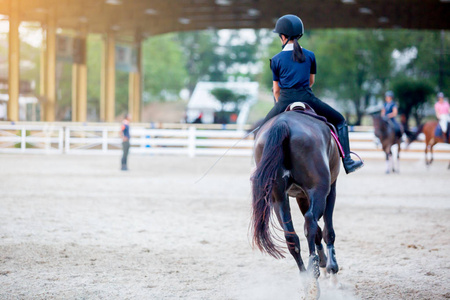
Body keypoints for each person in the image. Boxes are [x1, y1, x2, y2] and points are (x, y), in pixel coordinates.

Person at [260, 14, 363, 174]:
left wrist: (281, 105)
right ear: (299, 35)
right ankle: (348, 161)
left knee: (263, 129)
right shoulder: (309, 55)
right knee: (340, 121)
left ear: (283, 36)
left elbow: (276, 90)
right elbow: (310, 82)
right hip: (308, 98)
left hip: (284, 101)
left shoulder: (276, 59)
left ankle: (261, 168)